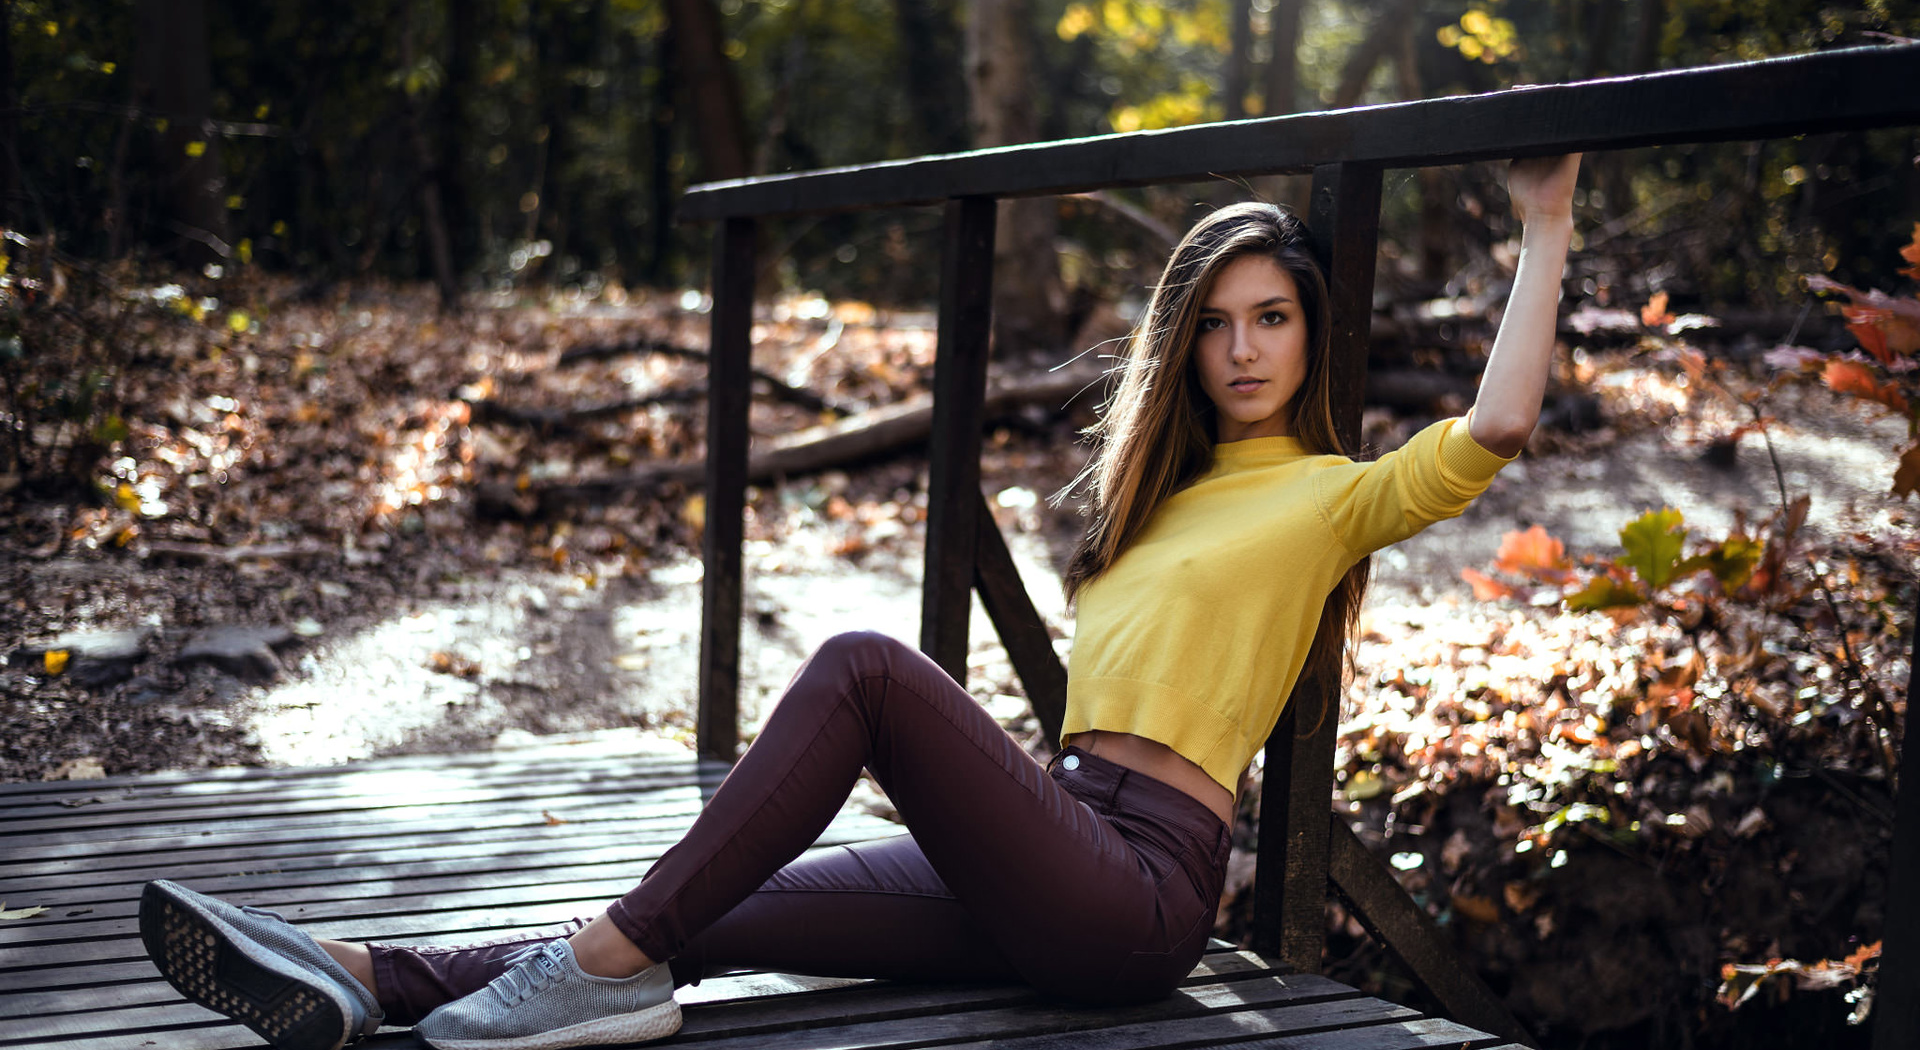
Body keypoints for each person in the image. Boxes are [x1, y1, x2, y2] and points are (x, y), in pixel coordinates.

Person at [138, 153, 1580, 1050]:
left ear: (1310, 331)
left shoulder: (1333, 491)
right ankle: (361, 977)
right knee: (713, 907)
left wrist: (1547, 219)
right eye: (1214, 322)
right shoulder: (1153, 501)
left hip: (1134, 902)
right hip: (1053, 848)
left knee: (866, 667)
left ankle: (576, 973)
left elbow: (1502, 425)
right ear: (1183, 344)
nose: (1244, 347)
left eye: (1273, 317)